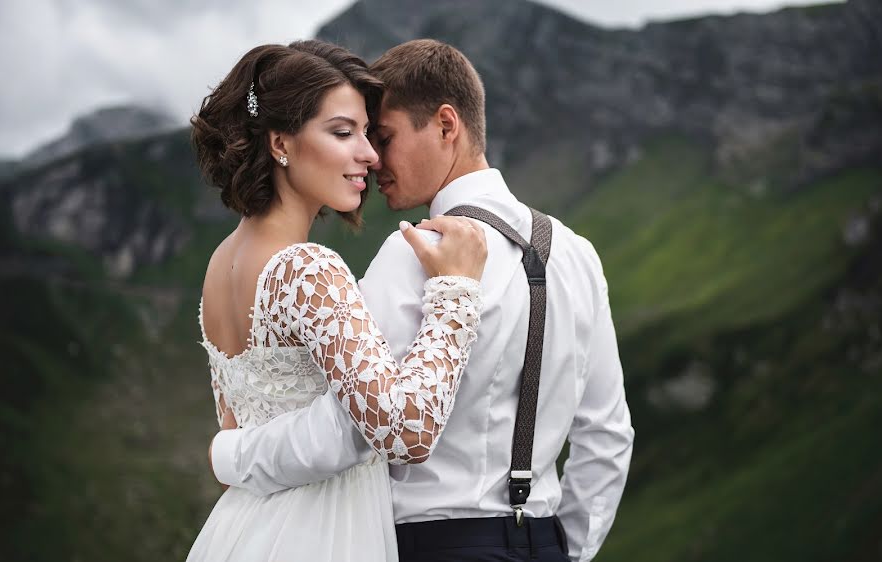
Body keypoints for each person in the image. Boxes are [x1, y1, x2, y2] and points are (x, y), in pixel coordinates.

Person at [210, 39, 635, 561]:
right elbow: (607, 434)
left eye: (381, 136)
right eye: (356, 134)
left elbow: (353, 428)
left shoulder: (412, 251)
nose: (374, 158)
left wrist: (228, 454)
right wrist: (568, 550)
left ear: (446, 125)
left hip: (428, 544)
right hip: (546, 540)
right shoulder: (576, 253)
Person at [186, 40, 488, 561]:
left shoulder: (220, 264)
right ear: (281, 143)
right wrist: (454, 295)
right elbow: (406, 431)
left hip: (243, 530)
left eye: (369, 134)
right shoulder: (307, 269)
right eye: (343, 132)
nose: (370, 155)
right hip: (323, 536)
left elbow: (237, 433)